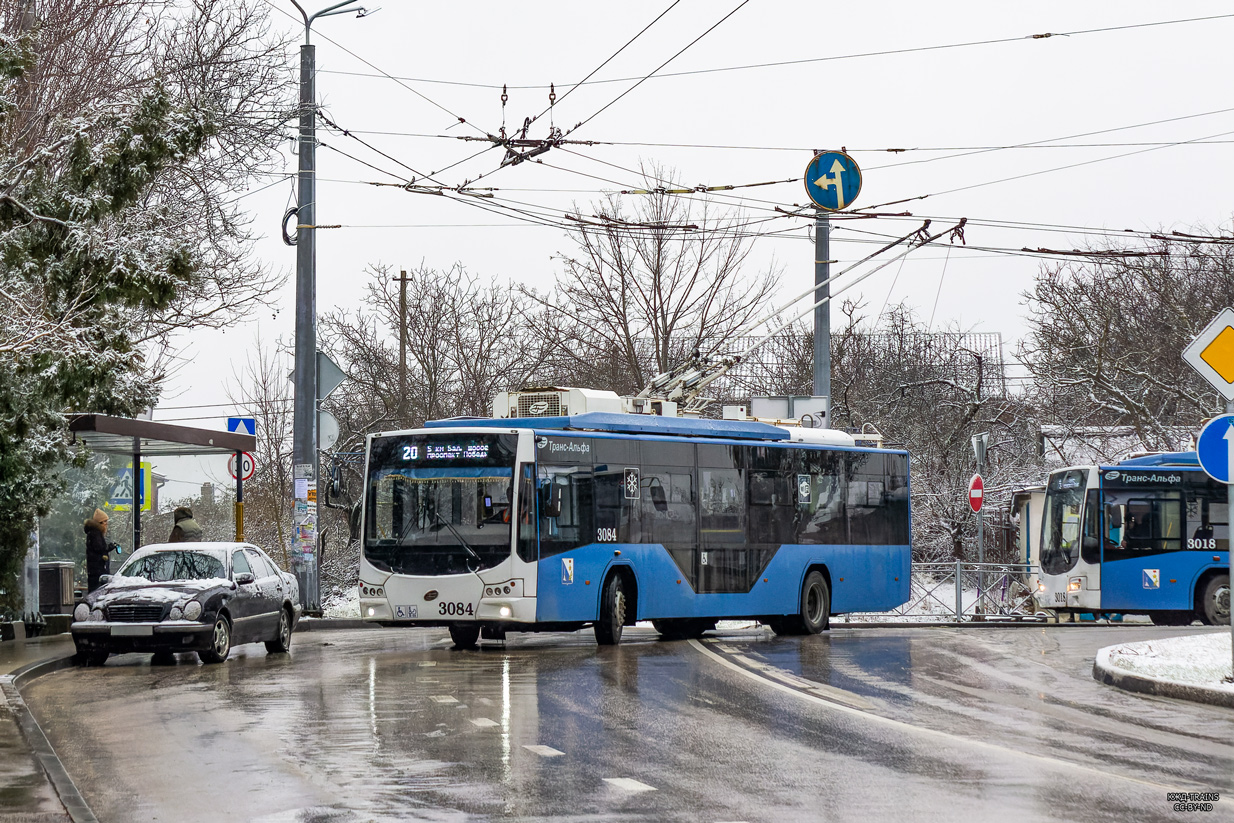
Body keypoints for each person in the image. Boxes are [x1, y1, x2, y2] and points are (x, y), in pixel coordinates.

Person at [84, 508, 111, 592]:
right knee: (98, 592)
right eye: (105, 521)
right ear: (100, 523)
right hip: (98, 572)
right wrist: (108, 548)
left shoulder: (94, 533)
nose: (106, 524)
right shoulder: (95, 534)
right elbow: (99, 548)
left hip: (95, 571)